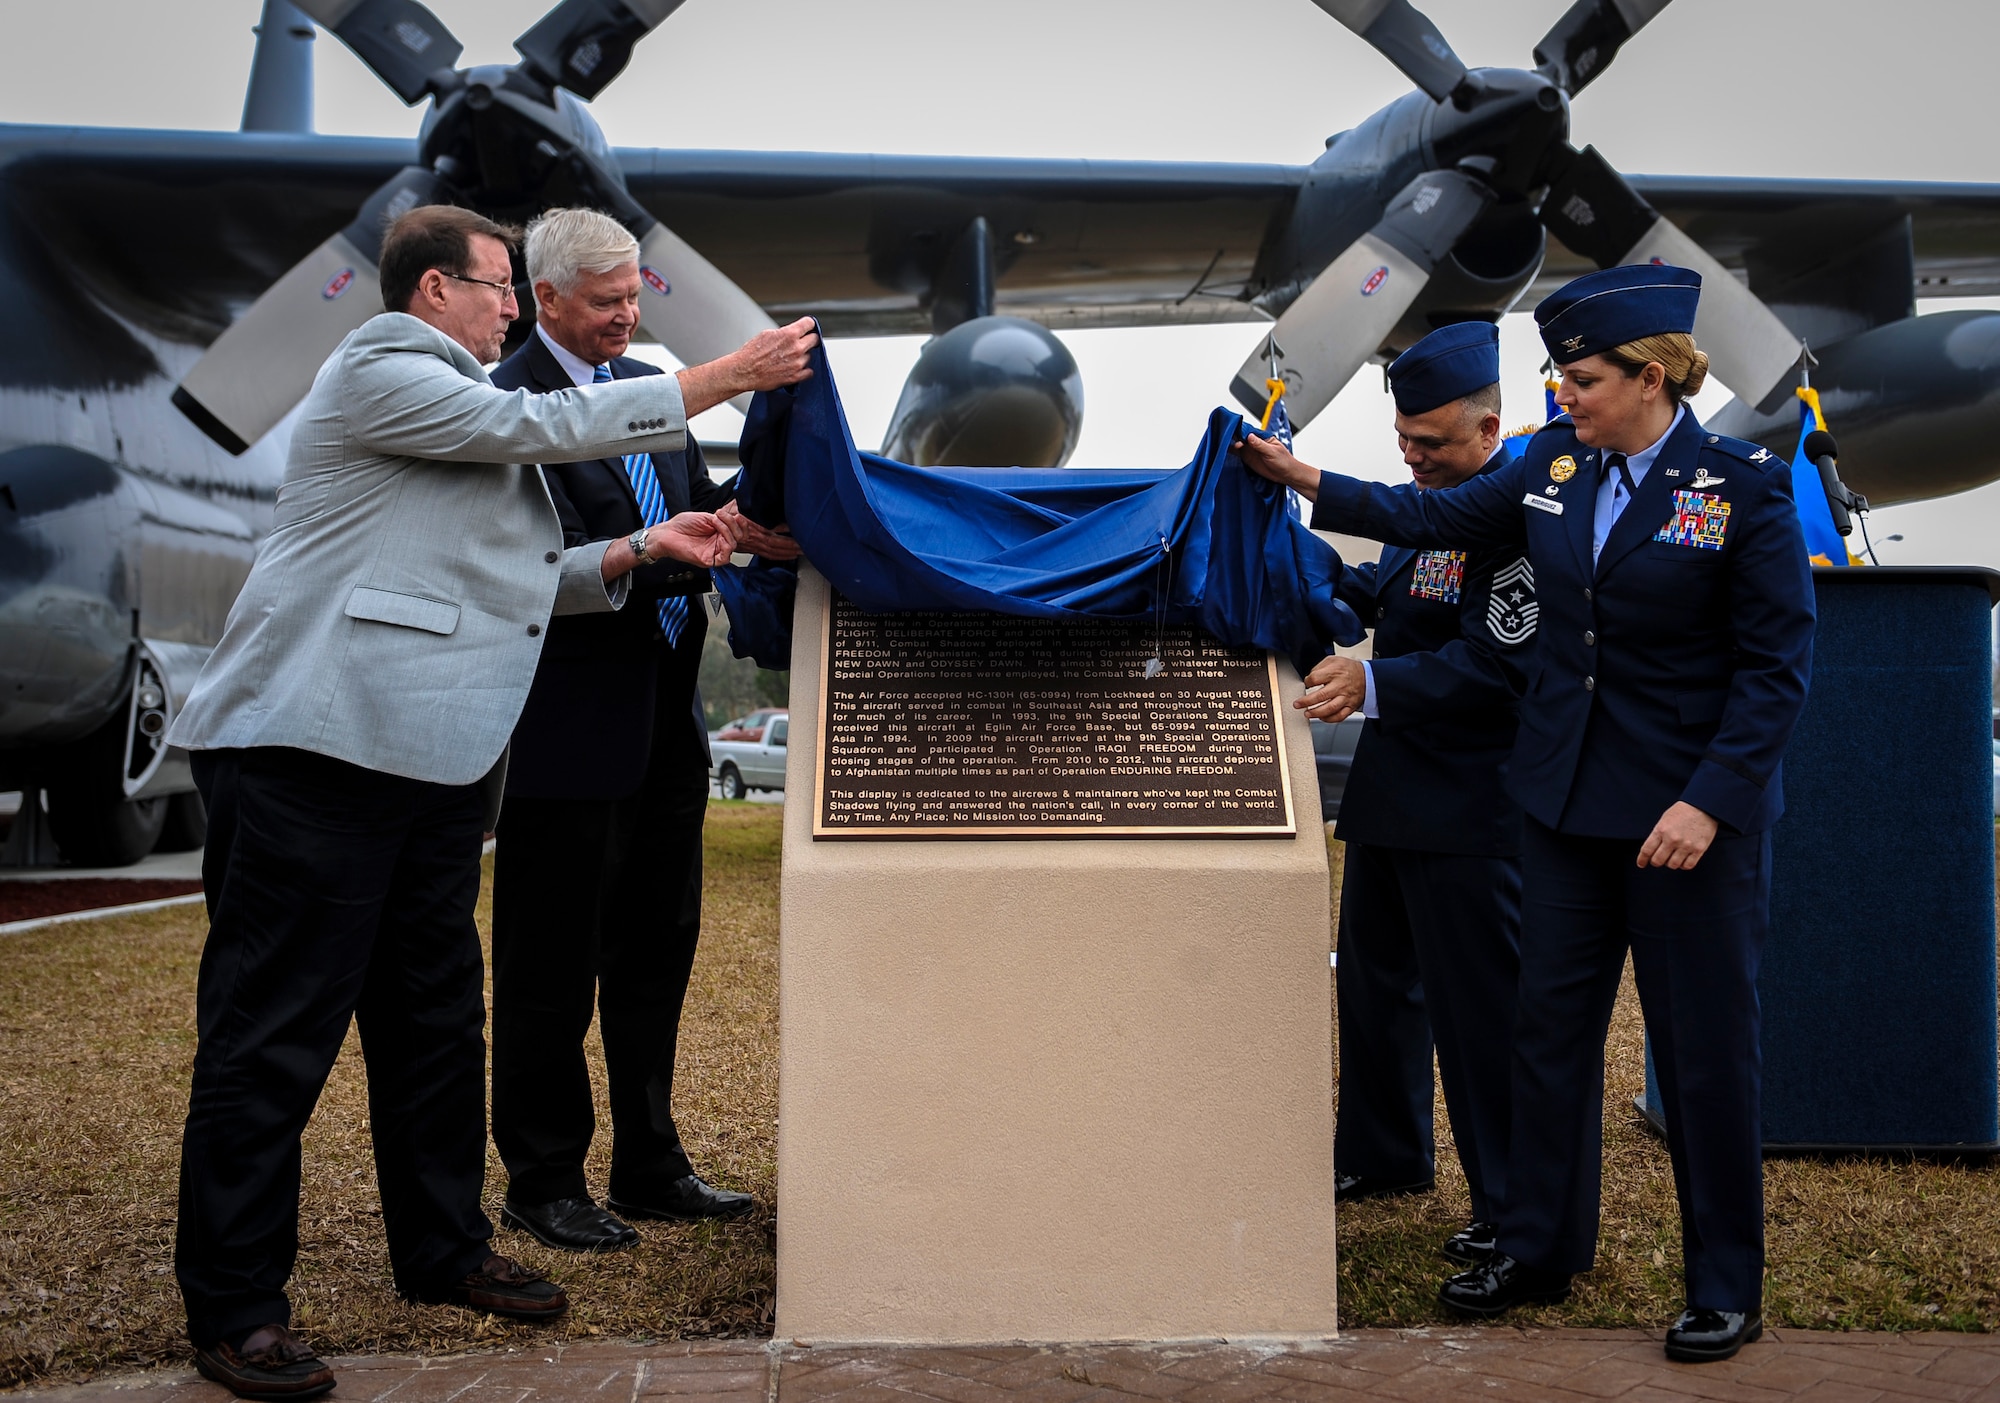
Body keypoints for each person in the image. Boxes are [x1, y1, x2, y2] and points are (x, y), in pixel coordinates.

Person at [165, 203, 817, 1402]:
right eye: (496, 287)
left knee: (432, 1024)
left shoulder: (452, 418)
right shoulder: (383, 367)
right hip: (315, 751)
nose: (511, 307)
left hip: (430, 765)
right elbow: (540, 419)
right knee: (274, 1038)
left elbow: (516, 580)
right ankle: (239, 1304)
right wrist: (721, 376)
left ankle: (445, 1247)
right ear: (430, 295)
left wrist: (636, 549)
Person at [1240, 263, 1814, 1365]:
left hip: (1684, 818)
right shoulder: (1551, 463)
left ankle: (1722, 1282)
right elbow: (1434, 513)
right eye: (1558, 375)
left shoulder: (1740, 485)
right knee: (1544, 1037)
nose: (1562, 395)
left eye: (1582, 377)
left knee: (1702, 1053)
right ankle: (1540, 1243)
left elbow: (1774, 671)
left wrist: (1708, 800)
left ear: (1651, 377)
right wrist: (1299, 473)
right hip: (1557, 803)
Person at [484, 208, 801, 1251]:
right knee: (549, 963)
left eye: (634, 296)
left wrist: (749, 515)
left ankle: (651, 1161)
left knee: (656, 947)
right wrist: (671, 546)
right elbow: (551, 561)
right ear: (547, 302)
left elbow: (688, 502)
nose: (628, 314)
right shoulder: (500, 406)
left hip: (668, 719)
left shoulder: (651, 389)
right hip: (565, 731)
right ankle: (543, 1177)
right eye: (606, 301)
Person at [1305, 322, 1530, 1280]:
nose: (1413, 457)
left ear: (1490, 429)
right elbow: (1368, 591)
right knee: (1374, 990)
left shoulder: (1518, 513)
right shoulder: (1427, 510)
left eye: (1431, 444)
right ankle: (1384, 1152)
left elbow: (1501, 662)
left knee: (1483, 1020)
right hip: (1395, 798)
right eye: (1404, 441)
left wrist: (1373, 683)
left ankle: (1510, 1208)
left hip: (1476, 810)